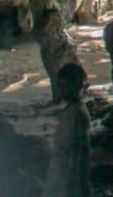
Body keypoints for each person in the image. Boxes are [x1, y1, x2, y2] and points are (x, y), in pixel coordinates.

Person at [43, 63, 90, 197]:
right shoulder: (72, 111)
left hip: (68, 177)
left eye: (65, 87)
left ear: (78, 87)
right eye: (60, 86)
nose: (61, 90)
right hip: (61, 173)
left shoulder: (76, 115)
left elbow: (76, 156)